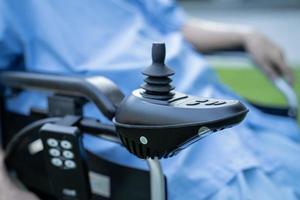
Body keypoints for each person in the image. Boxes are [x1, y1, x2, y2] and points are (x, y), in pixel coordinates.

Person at [0, 0, 299, 199]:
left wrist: (244, 34)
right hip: (125, 125)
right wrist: (7, 190)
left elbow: (173, 24)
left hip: (211, 101)